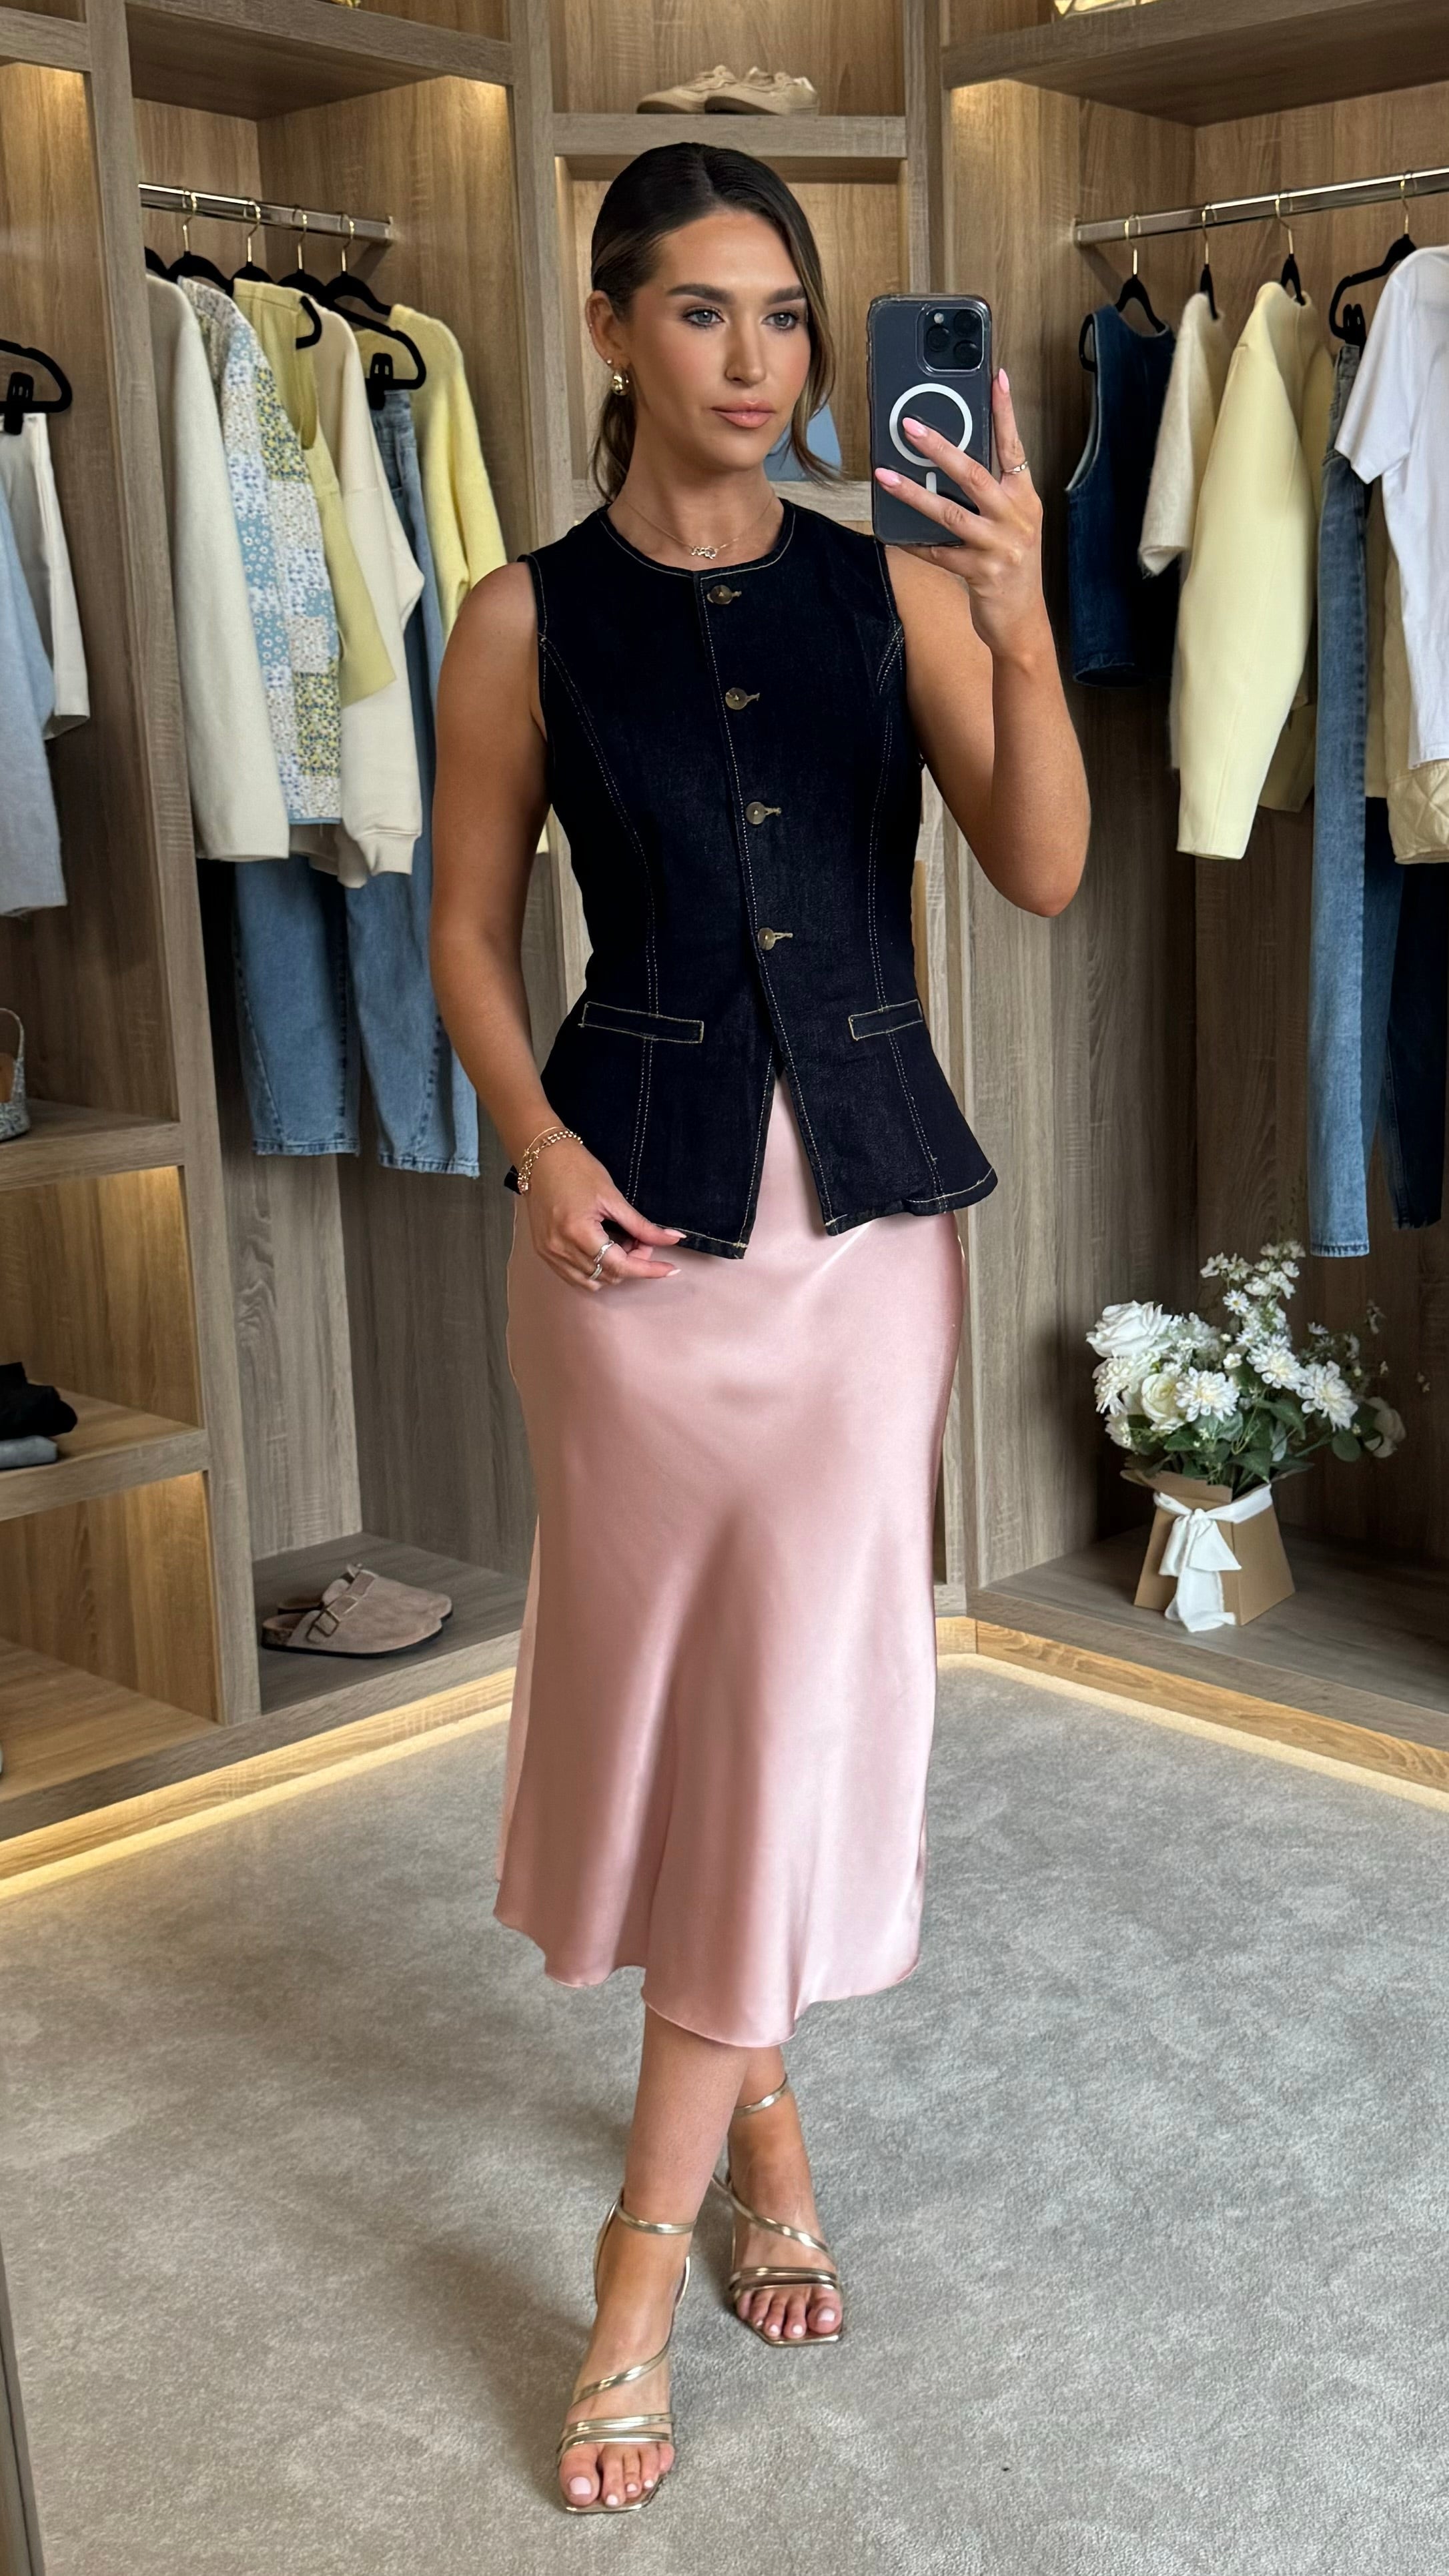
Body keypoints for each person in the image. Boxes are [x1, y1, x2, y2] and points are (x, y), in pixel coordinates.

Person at [430, 141, 1088, 2516]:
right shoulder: (519, 618)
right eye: (701, 309)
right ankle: (769, 2121)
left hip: (861, 1245)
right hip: (625, 1244)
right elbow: (467, 932)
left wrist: (1014, 616)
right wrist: (533, 1143)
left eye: (786, 313)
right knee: (685, 1695)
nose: (754, 357)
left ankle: (636, 2256)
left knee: (801, 1688)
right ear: (609, 326)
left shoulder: (888, 584)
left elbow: (1038, 864)